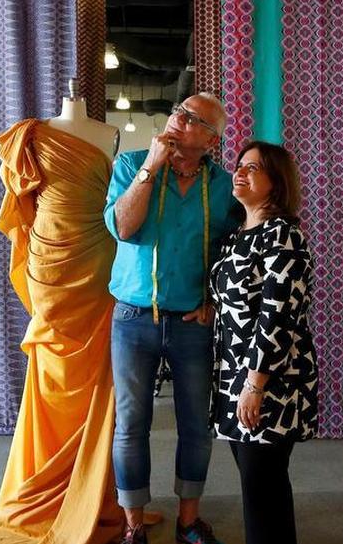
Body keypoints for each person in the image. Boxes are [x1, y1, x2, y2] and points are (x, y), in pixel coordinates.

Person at [0, 90, 122, 544]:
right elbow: (20, 201)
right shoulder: (34, 134)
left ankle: (86, 488)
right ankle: (44, 476)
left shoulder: (110, 133)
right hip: (50, 262)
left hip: (97, 263)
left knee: (96, 374)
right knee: (49, 369)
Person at [104, 93, 239, 544]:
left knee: (195, 424)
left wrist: (215, 299)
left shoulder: (223, 187)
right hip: (132, 318)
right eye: (179, 112)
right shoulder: (131, 165)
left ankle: (188, 522)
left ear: (211, 139)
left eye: (193, 119)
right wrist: (151, 169)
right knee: (131, 423)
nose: (179, 121)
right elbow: (124, 227)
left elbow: (234, 254)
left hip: (191, 325)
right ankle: (133, 527)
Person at [210, 141, 317, 544]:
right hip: (234, 379)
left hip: (270, 382)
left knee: (263, 489)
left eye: (252, 167)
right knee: (261, 489)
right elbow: (232, 301)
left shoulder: (283, 236)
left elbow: (277, 317)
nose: (239, 172)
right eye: (239, 165)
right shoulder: (237, 235)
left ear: (276, 181)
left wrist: (255, 384)